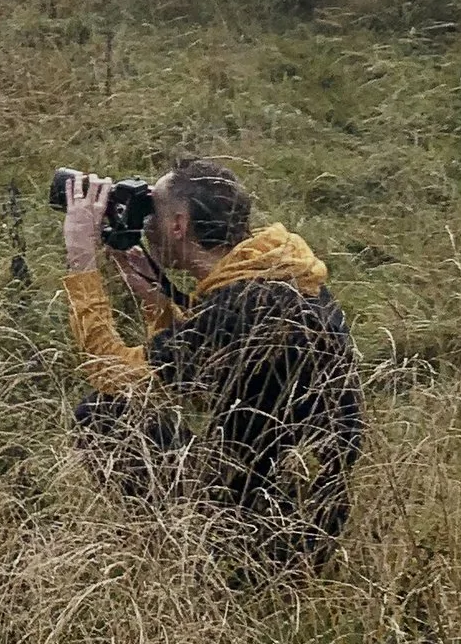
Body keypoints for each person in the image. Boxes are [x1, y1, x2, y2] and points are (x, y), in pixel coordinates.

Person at [59, 155, 362, 573]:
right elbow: (201, 373)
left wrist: (81, 262)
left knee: (102, 414)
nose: (147, 223)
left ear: (180, 225)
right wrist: (154, 298)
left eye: (154, 212)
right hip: (314, 510)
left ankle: (191, 563)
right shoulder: (282, 273)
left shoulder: (237, 307)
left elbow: (113, 375)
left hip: (263, 533)